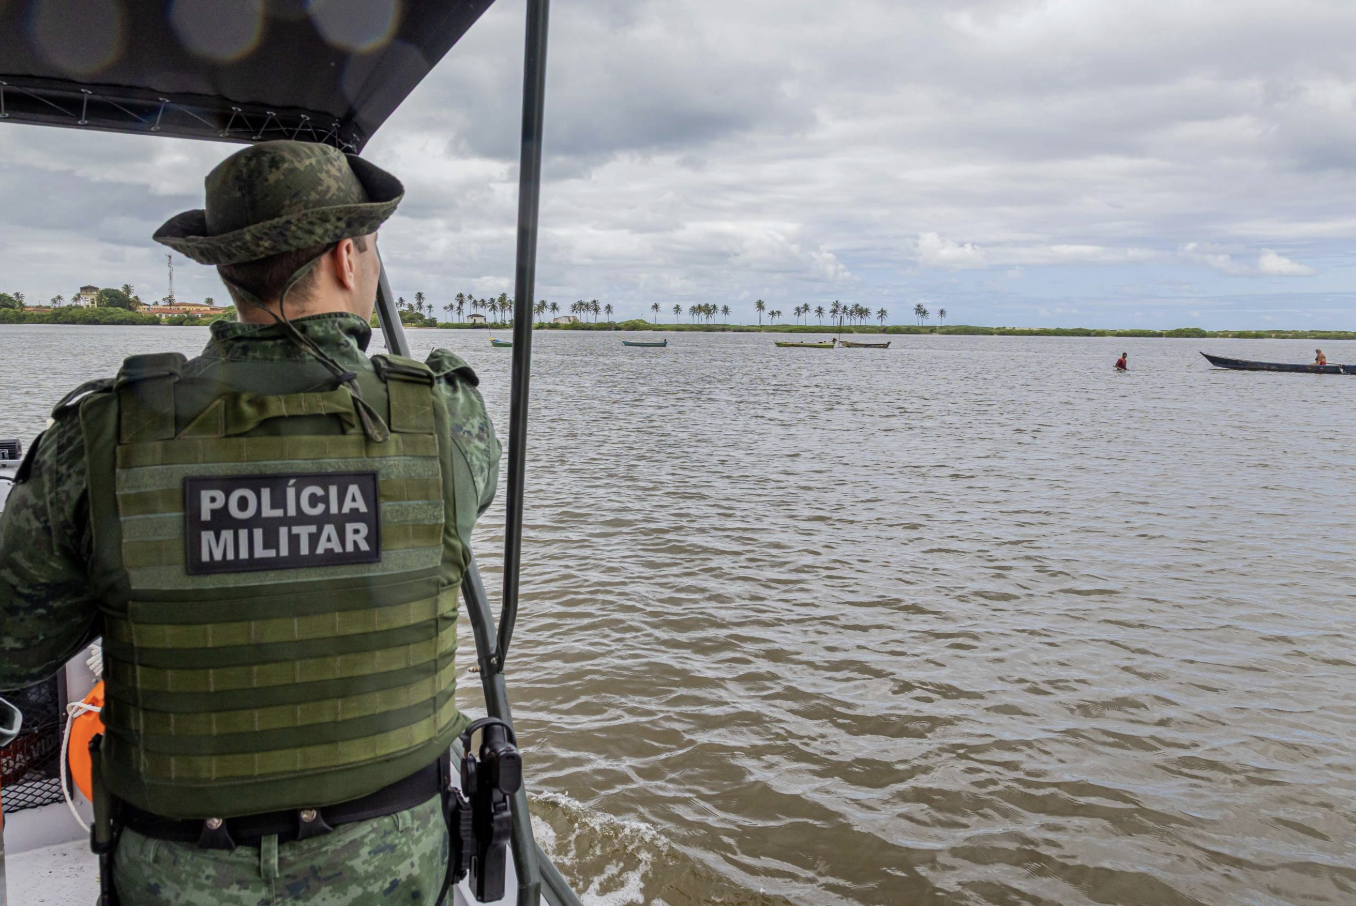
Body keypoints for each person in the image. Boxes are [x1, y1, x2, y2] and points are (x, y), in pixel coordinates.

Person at [0, 141, 501, 905]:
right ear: (344, 258)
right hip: (392, 866)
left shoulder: (96, 441)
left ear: (226, 271)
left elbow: (15, 644)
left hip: (178, 873)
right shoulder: (448, 419)